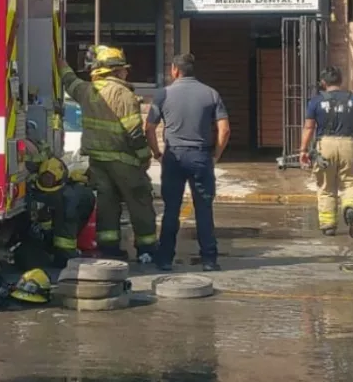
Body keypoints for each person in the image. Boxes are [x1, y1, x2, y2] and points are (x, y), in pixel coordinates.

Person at [56, 46, 158, 262]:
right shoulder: (124, 95)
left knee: (107, 205)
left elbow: (70, 82)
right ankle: (147, 248)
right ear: (114, 71)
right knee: (139, 202)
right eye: (123, 69)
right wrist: (144, 157)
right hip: (124, 161)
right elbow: (134, 133)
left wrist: (61, 64)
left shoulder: (87, 91)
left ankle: (109, 249)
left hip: (98, 162)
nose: (126, 73)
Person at [145, 54, 230, 272]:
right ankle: (209, 260)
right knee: (203, 208)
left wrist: (157, 153)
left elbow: (149, 128)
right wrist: (215, 155)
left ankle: (164, 259)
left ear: (174, 70)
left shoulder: (163, 94)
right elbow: (225, 129)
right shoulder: (211, 93)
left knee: (171, 209)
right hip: (201, 156)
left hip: (174, 156)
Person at [299, 66, 353, 237]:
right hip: (349, 144)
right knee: (351, 182)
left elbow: (309, 128)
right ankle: (351, 207)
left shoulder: (315, 101)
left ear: (323, 83)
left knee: (326, 186)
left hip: (325, 146)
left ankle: (328, 224)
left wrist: (303, 150)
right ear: (341, 81)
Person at [23, 124, 96, 267]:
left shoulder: (70, 196)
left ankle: (66, 256)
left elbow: (65, 218)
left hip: (68, 218)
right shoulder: (48, 184)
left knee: (65, 220)